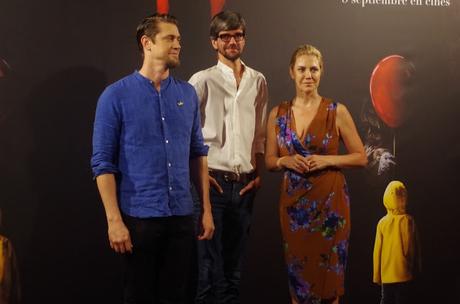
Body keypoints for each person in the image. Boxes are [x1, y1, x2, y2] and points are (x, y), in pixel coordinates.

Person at [91, 14, 214, 304]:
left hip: (183, 217)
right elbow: (102, 164)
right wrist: (114, 221)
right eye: (170, 38)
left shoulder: (187, 94)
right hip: (139, 219)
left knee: (179, 296)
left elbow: (198, 153)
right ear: (147, 43)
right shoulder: (115, 96)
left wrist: (206, 210)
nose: (178, 45)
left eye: (179, 39)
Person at [265, 44, 367, 304]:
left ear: (322, 72)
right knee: (298, 280)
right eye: (302, 69)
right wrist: (285, 160)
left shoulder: (336, 111)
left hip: (330, 205)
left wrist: (325, 160)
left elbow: (360, 157)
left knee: (330, 281)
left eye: (314, 69)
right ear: (291, 72)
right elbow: (269, 161)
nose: (308, 75)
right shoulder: (278, 114)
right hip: (294, 210)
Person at [188, 10, 268, 304]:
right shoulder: (201, 80)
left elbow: (259, 133)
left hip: (245, 184)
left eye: (238, 35)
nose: (232, 41)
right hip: (212, 184)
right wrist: (198, 175)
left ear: (244, 40)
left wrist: (257, 173)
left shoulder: (258, 81)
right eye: (225, 36)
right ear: (214, 42)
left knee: (233, 272)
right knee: (206, 270)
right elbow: (187, 133)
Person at [373, 180, 421, 304]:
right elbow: (416, 248)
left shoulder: (382, 223)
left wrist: (377, 275)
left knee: (386, 300)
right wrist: (417, 269)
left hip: (387, 275)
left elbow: (377, 252)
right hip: (405, 273)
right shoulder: (409, 220)